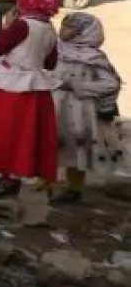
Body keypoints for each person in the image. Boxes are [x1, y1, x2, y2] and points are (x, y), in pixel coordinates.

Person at [0, 0, 62, 197]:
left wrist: (7, 27)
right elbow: (50, 63)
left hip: (13, 87)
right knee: (25, 136)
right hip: (36, 88)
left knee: (8, 133)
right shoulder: (48, 27)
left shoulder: (22, 25)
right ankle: (11, 177)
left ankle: (7, 179)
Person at [51, 12, 124, 203]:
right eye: (63, 26)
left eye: (69, 28)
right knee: (50, 144)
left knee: (75, 149)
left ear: (84, 32)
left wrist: (79, 86)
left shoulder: (94, 57)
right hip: (54, 105)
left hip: (78, 110)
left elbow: (111, 83)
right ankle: (46, 182)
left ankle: (74, 188)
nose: (62, 30)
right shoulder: (55, 50)